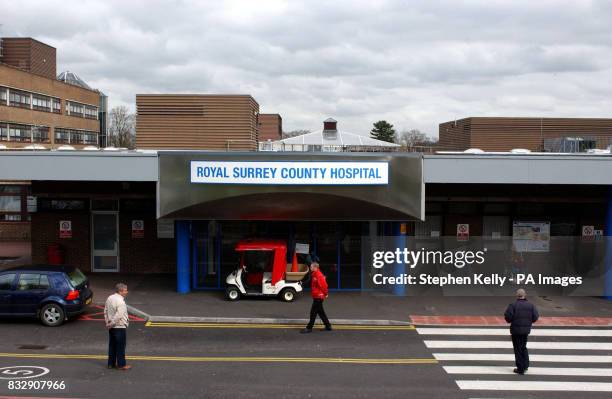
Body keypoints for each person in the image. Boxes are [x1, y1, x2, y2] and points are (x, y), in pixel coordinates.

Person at [504, 288, 539, 375]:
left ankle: (520, 368)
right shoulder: (531, 305)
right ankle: (526, 365)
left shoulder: (513, 305)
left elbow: (508, 317)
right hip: (526, 330)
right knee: (523, 347)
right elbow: (535, 317)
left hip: (516, 331)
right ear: (524, 295)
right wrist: (528, 322)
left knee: (517, 349)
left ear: (517, 295)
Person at [104, 283, 131, 370]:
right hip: (119, 327)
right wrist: (111, 323)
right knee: (120, 347)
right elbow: (119, 315)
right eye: (125, 290)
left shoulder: (110, 298)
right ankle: (121, 365)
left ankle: (110, 364)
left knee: (112, 346)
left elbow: (105, 311)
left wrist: (107, 323)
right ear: (120, 291)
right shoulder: (121, 302)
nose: (127, 292)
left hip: (111, 327)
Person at [301, 262, 332, 333]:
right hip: (316, 296)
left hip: (319, 297)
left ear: (315, 267)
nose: (310, 268)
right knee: (321, 312)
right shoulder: (314, 274)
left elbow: (324, 285)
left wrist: (326, 293)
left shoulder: (319, 275)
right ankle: (328, 326)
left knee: (313, 312)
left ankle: (309, 328)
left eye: (311, 267)